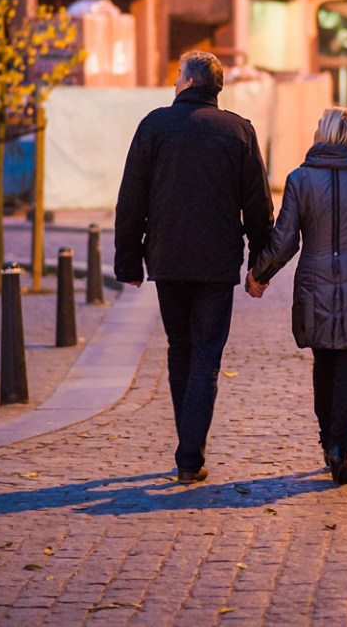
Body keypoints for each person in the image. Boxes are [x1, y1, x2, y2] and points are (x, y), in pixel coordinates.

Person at [114, 50, 274, 485]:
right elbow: (257, 205)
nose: (173, 84)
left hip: (167, 259)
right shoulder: (238, 131)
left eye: (177, 77)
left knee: (179, 348)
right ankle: (189, 455)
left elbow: (132, 198)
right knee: (206, 355)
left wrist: (129, 261)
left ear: (187, 82)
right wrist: (260, 266)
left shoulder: (155, 126)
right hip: (217, 263)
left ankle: (188, 450)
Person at [246, 106, 347, 485]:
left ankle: (326, 441)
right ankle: (340, 446)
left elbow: (285, 240)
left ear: (326, 134)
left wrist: (259, 274)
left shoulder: (300, 179)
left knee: (323, 363)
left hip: (314, 283)